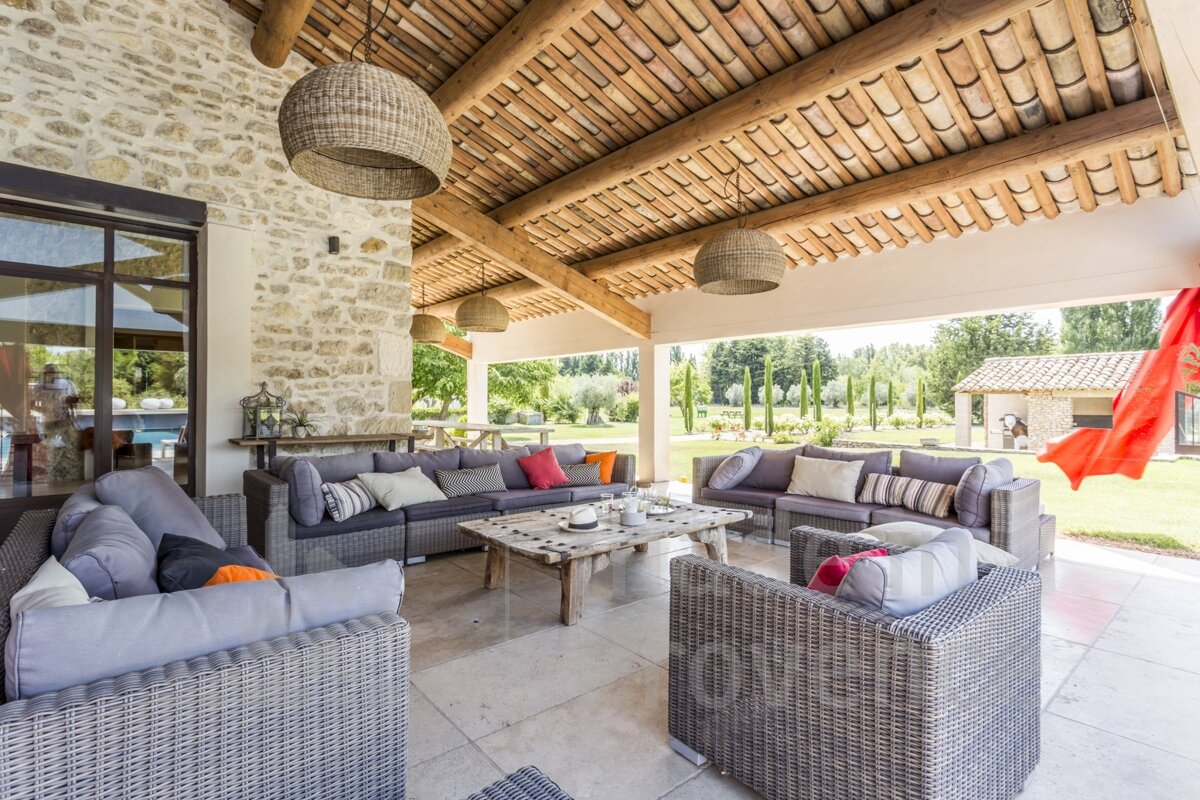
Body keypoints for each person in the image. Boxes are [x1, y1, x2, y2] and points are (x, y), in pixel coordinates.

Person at [30, 363, 82, 484]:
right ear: (45, 373)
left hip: (65, 421)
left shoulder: (66, 384)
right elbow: (31, 403)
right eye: (49, 372)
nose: (52, 374)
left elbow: (75, 399)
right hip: (49, 422)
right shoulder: (39, 386)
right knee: (51, 450)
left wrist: (70, 401)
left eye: (54, 372)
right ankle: (53, 477)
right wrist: (45, 411)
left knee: (70, 449)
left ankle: (68, 477)